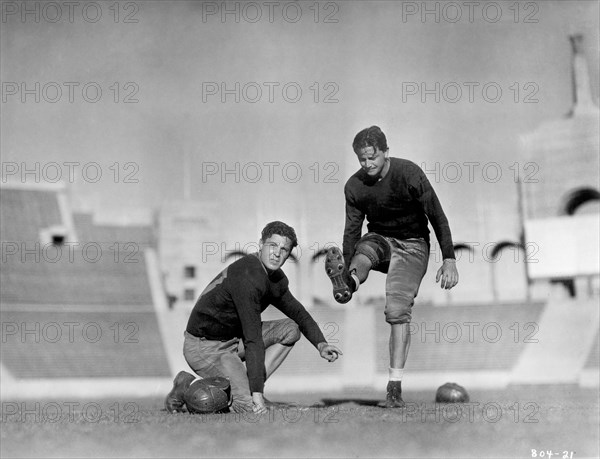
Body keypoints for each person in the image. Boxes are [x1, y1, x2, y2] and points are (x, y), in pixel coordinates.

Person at [325, 125, 458, 408]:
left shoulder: (408, 173)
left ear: (386, 152)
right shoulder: (354, 186)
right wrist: (348, 264)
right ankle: (348, 282)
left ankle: (394, 387)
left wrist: (449, 259)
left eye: (372, 157)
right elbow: (352, 232)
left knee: (397, 312)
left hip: (413, 245)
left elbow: (437, 215)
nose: (367, 164)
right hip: (381, 241)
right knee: (364, 248)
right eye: (362, 159)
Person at [166, 221, 343, 414]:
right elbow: (252, 338)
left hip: (232, 340)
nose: (277, 253)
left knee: (290, 329)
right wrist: (257, 395)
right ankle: (187, 389)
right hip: (205, 346)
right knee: (247, 407)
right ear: (260, 244)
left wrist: (321, 344)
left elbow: (298, 313)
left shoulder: (276, 279)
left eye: (284, 249)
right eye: (272, 245)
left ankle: (248, 389)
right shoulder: (248, 275)